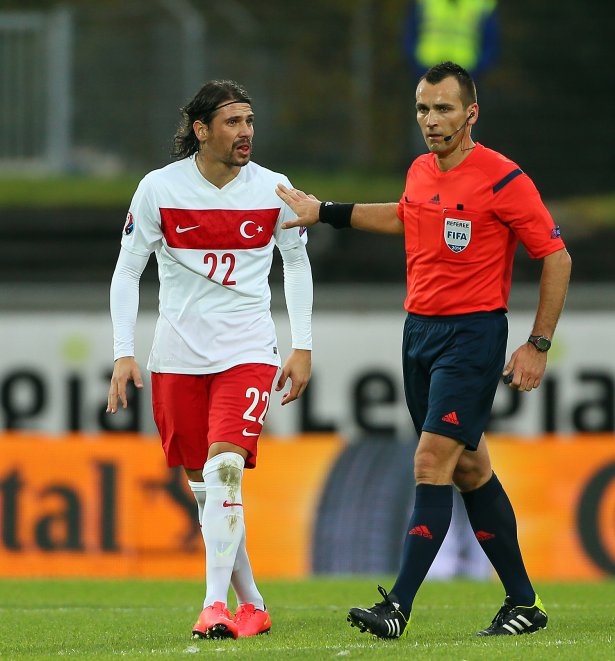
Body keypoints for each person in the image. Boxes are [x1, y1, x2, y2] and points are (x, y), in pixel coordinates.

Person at [276, 61, 571, 639]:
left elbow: (556, 257)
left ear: (471, 113)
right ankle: (523, 602)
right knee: (469, 467)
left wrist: (538, 344)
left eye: (443, 108)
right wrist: (326, 212)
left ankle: (398, 607)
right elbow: (407, 218)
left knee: (430, 462)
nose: (431, 120)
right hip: (419, 334)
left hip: (472, 336)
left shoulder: (504, 179)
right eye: (422, 109)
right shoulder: (419, 171)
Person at [106, 80, 313, 640]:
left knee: (225, 470)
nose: (246, 132)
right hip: (177, 355)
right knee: (208, 489)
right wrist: (124, 352)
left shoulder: (273, 188)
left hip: (247, 350)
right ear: (201, 130)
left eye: (249, 121)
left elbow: (295, 264)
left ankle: (213, 606)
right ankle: (253, 605)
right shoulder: (159, 188)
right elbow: (128, 270)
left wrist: (302, 345)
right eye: (232, 122)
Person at [403, 0, 500, 81]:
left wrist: (477, 70)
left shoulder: (481, 4)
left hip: (466, 75)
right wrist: (416, 64)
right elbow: (410, 32)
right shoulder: (425, 2)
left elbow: (491, 42)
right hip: (425, 71)